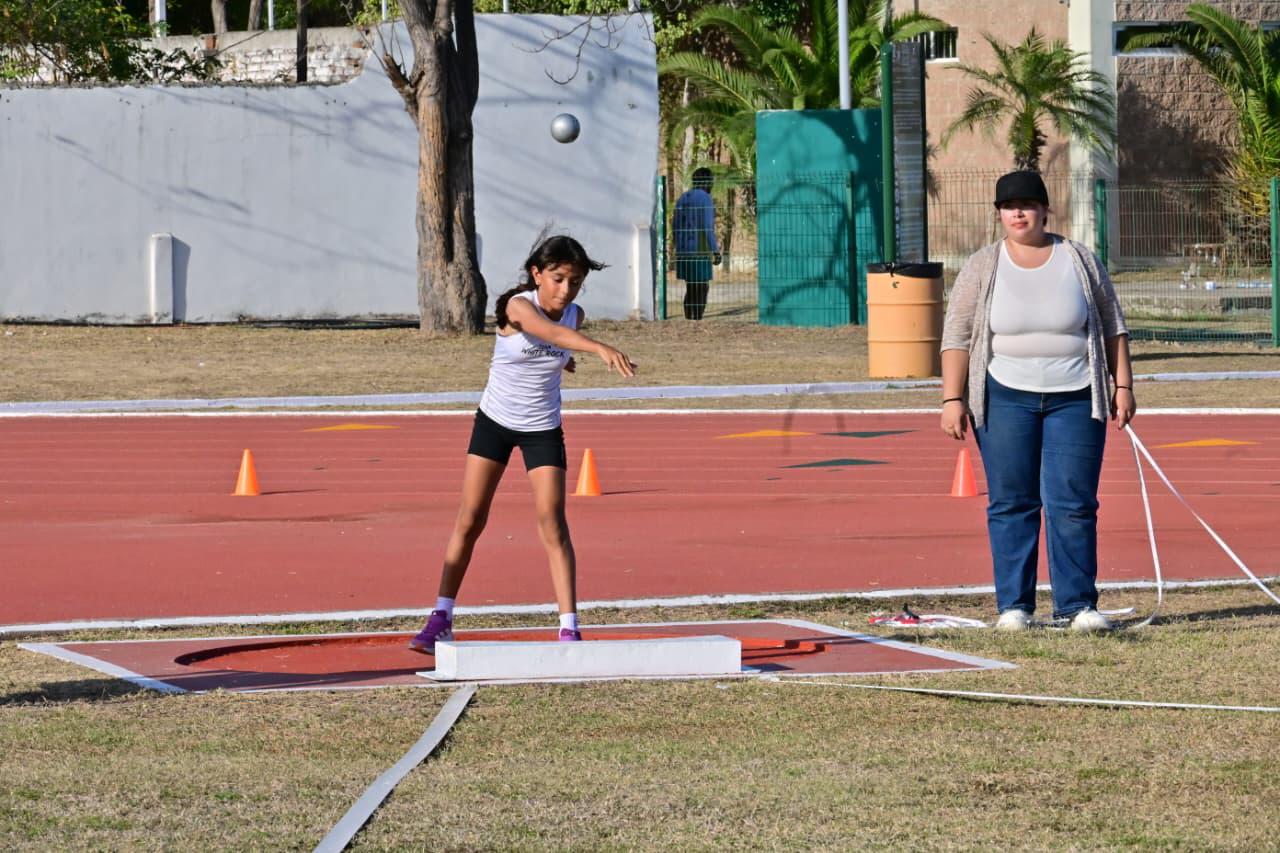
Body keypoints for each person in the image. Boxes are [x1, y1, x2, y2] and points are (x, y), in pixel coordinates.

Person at [409, 235, 638, 654]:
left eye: (574, 282)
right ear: (537, 274)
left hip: (543, 428)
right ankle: (441, 618)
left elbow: (555, 342)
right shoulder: (518, 305)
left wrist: (565, 358)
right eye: (557, 279)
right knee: (470, 519)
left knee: (553, 522)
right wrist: (598, 348)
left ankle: (569, 627)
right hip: (494, 423)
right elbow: (544, 331)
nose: (565, 290)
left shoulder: (575, 315)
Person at [939, 170, 1136, 633]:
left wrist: (1122, 385)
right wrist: (953, 398)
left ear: (1046, 209)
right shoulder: (983, 265)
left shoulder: (1079, 259)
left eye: (1028, 204)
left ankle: (1077, 606)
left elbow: (1113, 325)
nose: (1019, 213)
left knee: (1072, 502)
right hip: (1005, 396)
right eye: (1010, 206)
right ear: (999, 214)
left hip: (1076, 398)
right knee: (1012, 502)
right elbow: (958, 335)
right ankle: (1014, 607)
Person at [672, 167, 722, 320]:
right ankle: (698, 319)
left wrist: (678, 245)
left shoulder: (683, 197)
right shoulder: (705, 198)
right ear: (707, 182)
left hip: (684, 249)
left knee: (691, 286)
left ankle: (688, 319)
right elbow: (708, 227)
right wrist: (715, 250)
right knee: (702, 287)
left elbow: (674, 225)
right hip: (700, 248)